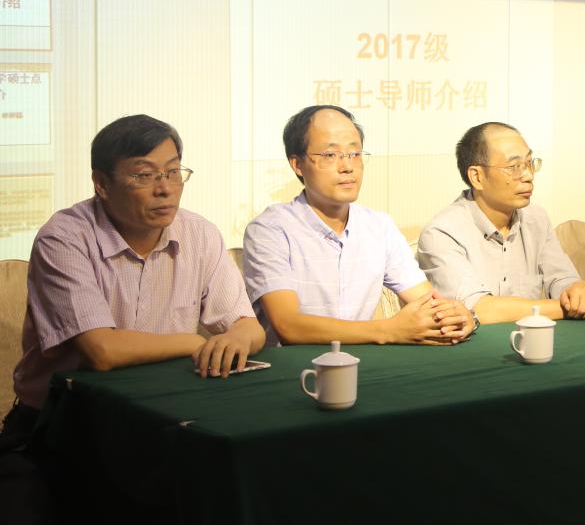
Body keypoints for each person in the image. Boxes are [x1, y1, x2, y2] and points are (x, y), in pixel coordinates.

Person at [3, 115, 265, 448]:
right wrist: (194, 343)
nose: (165, 188)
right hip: (66, 424)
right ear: (102, 183)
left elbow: (248, 326)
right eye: (144, 175)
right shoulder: (64, 238)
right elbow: (102, 351)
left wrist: (237, 339)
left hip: (164, 414)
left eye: (173, 172)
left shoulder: (200, 234)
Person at [243, 105, 474, 345]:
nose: (347, 167)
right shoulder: (270, 230)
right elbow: (289, 326)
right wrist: (389, 330)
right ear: (297, 164)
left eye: (354, 153)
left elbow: (429, 301)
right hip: (293, 366)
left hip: (361, 362)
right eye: (330, 155)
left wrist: (458, 316)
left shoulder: (378, 226)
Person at [418, 122, 585, 324]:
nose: (528, 175)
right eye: (514, 167)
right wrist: (567, 308)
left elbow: (562, 279)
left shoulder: (535, 218)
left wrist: (580, 292)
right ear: (477, 177)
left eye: (529, 163)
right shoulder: (442, 233)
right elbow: (478, 309)